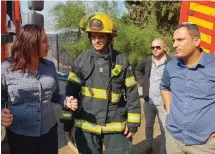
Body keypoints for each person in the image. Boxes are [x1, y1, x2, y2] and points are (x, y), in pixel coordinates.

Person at [60, 12, 141, 154]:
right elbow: (70, 94)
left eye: (101, 36)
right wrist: (67, 124)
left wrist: (133, 123)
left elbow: (132, 93)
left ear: (109, 37)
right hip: (87, 126)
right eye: (93, 36)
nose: (96, 40)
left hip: (115, 127)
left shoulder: (121, 60)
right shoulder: (82, 60)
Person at [1, 24, 78, 154]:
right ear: (30, 44)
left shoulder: (49, 66)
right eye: (43, 41)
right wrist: (1, 112)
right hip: (20, 136)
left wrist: (66, 101)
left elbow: (55, 95)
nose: (48, 44)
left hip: (49, 133)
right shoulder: (6, 69)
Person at [160, 22, 215, 154]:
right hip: (174, 139)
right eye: (174, 40)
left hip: (205, 144)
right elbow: (164, 87)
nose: (174, 45)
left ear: (196, 41)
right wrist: (169, 110)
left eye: (180, 40)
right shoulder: (171, 67)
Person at [135, 38, 171, 154]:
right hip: (148, 100)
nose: (155, 49)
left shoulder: (171, 62)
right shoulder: (147, 61)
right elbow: (138, 70)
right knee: (148, 125)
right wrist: (143, 82)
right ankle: (148, 146)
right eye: (153, 47)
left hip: (163, 103)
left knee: (164, 128)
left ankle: (163, 150)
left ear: (164, 47)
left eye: (158, 47)